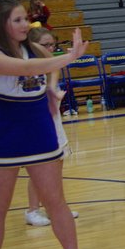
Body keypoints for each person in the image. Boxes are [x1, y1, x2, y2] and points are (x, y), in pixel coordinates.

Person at [0, 3, 92, 249]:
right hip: (5, 134)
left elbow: (48, 69)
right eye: (18, 20)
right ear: (1, 24)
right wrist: (70, 57)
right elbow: (27, 69)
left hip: (40, 130)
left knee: (56, 202)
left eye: (25, 18)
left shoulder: (36, 49)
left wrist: (51, 89)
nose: (25, 24)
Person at [21, 27, 75, 227]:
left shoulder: (51, 67)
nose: (51, 48)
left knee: (56, 168)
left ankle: (54, 208)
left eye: (53, 44)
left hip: (54, 123)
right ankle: (32, 210)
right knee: (39, 170)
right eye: (46, 45)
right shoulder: (27, 67)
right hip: (36, 124)